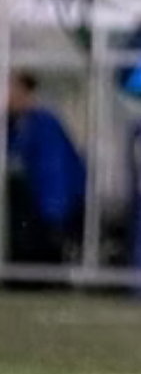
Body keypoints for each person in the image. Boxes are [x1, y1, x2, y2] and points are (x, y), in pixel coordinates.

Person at [5, 72, 86, 264]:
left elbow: (55, 172)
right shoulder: (16, 124)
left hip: (47, 210)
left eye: (12, 88)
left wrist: (54, 213)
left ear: (25, 91)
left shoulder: (43, 123)